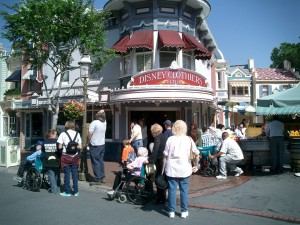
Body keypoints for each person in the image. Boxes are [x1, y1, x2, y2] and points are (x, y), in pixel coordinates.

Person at [162, 120, 200, 219]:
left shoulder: (170, 139)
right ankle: (184, 211)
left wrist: (162, 169)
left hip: (171, 168)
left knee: (172, 190)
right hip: (185, 168)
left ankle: (171, 211)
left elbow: (165, 156)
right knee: (184, 190)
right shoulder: (188, 139)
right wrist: (196, 165)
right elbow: (197, 154)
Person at [57, 120, 82, 197]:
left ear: (66, 126)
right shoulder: (77, 134)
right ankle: (76, 191)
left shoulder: (63, 134)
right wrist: (73, 147)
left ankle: (67, 191)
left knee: (67, 173)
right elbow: (80, 146)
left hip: (66, 156)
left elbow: (60, 146)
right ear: (73, 126)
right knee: (74, 173)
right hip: (75, 156)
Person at [146, 123, 168, 204]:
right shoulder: (164, 136)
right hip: (165, 161)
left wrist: (150, 160)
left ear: (155, 131)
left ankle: (160, 198)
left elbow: (155, 150)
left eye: (152, 132)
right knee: (163, 179)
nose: (151, 133)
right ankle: (163, 197)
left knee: (158, 179)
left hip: (160, 161)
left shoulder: (157, 138)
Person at [88, 110, 107, 185]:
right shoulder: (104, 122)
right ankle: (102, 177)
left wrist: (88, 141)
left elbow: (90, 133)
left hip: (95, 144)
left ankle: (97, 178)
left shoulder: (94, 122)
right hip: (102, 144)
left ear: (98, 115)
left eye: (97, 113)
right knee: (100, 161)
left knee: (95, 162)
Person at [41, 129, 61, 194]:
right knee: (56, 174)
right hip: (57, 161)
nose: (56, 135)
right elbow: (60, 151)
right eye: (55, 134)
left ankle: (54, 189)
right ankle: (57, 188)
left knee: (51, 175)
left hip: (48, 161)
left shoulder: (45, 142)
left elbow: (43, 150)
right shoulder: (57, 142)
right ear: (52, 134)